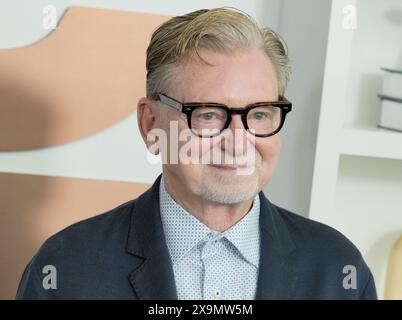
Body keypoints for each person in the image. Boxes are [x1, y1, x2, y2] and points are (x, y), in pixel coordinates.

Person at [16, 7, 377, 300]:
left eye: (259, 114)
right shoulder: (67, 268)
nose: (238, 141)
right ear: (150, 123)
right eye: (207, 115)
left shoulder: (338, 270)